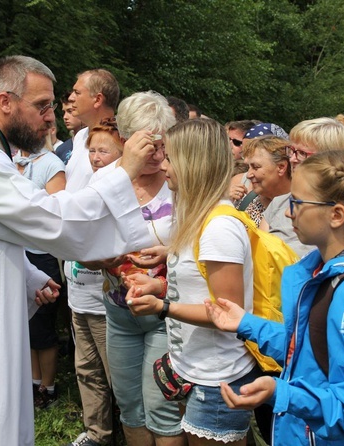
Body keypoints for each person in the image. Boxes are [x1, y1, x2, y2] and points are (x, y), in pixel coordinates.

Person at [0, 55, 157, 446]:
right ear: (6, 101)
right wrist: (123, 172)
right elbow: (51, 217)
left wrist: (29, 276)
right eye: (41, 106)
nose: (50, 118)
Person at [205, 149, 344, 446]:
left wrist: (280, 393)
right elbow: (311, 348)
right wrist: (247, 324)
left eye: (296, 203)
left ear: (336, 215)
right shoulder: (322, 272)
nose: (287, 212)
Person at [126, 118, 260, 446]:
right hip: (200, 370)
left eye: (169, 157)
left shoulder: (218, 228)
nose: (162, 164)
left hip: (217, 378)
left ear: (191, 163)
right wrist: (164, 268)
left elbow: (229, 315)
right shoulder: (197, 215)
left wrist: (163, 307)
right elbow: (200, 283)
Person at [83, 91, 184, 446]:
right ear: (125, 140)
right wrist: (104, 259)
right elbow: (81, 247)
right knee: (129, 406)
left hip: (167, 311)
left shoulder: (181, 179)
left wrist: (168, 254)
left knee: (164, 407)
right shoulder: (105, 180)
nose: (157, 155)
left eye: (162, 145)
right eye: (148, 145)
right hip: (118, 312)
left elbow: (203, 244)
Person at [64, 123, 124, 446]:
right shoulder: (83, 186)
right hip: (78, 296)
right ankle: (98, 434)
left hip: (103, 300)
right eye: (92, 150)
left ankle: (130, 432)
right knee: (86, 369)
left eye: (104, 150)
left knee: (116, 376)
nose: (96, 157)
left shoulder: (115, 192)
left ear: (122, 155)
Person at [13, 137, 66, 410]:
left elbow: (56, 215)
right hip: (18, 251)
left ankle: (49, 386)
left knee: (42, 324)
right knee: (26, 322)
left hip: (43, 254)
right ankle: (33, 383)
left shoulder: (51, 165)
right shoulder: (12, 160)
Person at [241, 135, 309, 258]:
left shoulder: (304, 208)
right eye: (248, 167)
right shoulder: (247, 200)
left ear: (281, 167)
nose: (248, 175)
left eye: (256, 167)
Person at [65, 70, 119, 193]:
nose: (71, 98)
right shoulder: (80, 136)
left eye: (77, 93)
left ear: (98, 99)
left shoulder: (119, 139)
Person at [55, 90, 85, 164]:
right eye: (64, 112)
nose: (65, 117)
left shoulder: (94, 144)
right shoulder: (61, 150)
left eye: (70, 111)